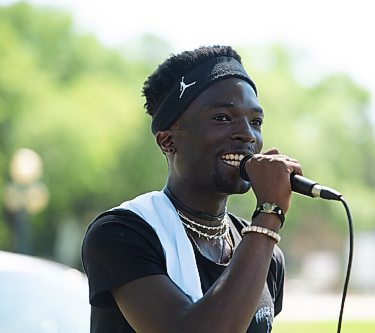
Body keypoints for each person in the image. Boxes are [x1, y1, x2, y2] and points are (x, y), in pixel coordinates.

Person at [81, 45, 303, 333]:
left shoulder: (266, 255)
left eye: (256, 122)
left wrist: (263, 230)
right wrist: (269, 214)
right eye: (222, 117)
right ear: (167, 141)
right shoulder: (121, 233)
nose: (248, 134)